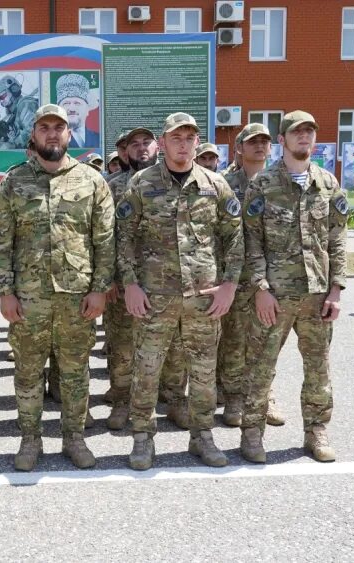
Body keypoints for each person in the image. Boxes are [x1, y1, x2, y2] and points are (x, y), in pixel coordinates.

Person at [0, 104, 115, 471]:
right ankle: (30, 441)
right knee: (28, 371)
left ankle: (74, 438)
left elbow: (104, 240)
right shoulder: (15, 183)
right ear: (33, 135)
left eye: (58, 127)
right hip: (28, 299)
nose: (52, 133)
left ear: (69, 134)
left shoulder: (92, 181)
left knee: (75, 372)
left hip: (77, 298)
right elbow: (0, 242)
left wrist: (100, 290)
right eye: (44, 127)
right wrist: (5, 292)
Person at [117, 112, 243, 470]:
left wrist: (229, 286)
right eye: (176, 138)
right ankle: (143, 439)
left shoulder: (215, 184)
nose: (183, 144)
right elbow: (123, 238)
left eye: (189, 138)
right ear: (163, 141)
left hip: (204, 298)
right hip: (154, 298)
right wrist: (129, 284)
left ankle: (202, 436)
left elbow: (234, 237)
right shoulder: (142, 184)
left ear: (196, 142)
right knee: (147, 370)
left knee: (203, 372)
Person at [239, 111, 347, 464]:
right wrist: (260, 288)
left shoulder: (328, 184)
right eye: (297, 132)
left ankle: (316, 431)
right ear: (282, 140)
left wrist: (336, 290)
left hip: (317, 295)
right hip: (275, 296)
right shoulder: (263, 185)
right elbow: (249, 241)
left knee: (318, 367)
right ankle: (252, 434)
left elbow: (337, 240)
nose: (304, 137)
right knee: (260, 366)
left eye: (309, 132)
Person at [104, 126, 190, 432]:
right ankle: (122, 401)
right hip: (127, 283)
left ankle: (175, 399)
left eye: (146, 142)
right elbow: (106, 237)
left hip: (168, 284)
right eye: (133, 145)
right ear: (125, 152)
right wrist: (111, 279)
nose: (141, 148)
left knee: (175, 347)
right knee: (123, 346)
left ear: (158, 146)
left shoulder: (176, 182)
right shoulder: (112, 186)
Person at [219, 123, 285, 428]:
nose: (260, 146)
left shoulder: (280, 183)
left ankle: (264, 396)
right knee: (233, 340)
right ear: (239, 148)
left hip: (272, 278)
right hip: (234, 275)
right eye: (252, 141)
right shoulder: (223, 184)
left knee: (266, 341)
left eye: (264, 141)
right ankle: (233, 399)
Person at [0, 75, 39, 150]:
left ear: (14, 89)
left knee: (5, 148)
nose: (1, 101)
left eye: (2, 96)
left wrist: (13, 144)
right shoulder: (11, 114)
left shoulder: (26, 104)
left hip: (31, 154)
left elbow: (32, 132)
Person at [56, 74, 100, 149]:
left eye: (77, 103)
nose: (72, 109)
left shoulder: (99, 138)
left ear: (87, 110)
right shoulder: (53, 140)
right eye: (66, 103)